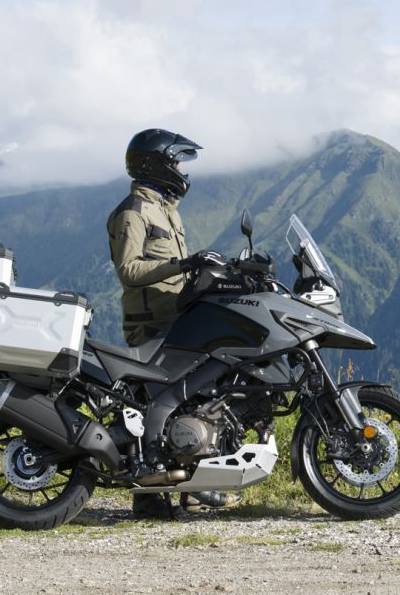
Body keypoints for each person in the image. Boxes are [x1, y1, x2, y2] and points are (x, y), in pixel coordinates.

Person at [106, 128, 235, 518]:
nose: (181, 170)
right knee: (153, 403)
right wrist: (183, 264)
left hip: (176, 317)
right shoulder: (133, 212)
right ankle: (147, 495)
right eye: (176, 162)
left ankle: (194, 487)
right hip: (151, 323)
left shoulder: (166, 209)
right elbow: (129, 269)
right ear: (156, 165)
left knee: (193, 399)